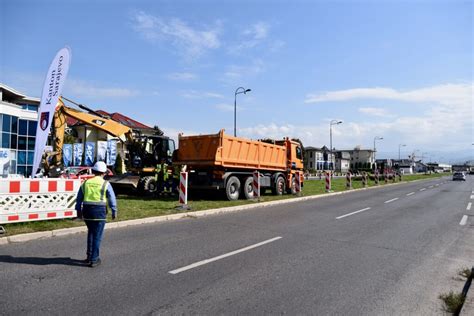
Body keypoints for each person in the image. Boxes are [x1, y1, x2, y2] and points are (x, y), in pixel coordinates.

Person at [76, 161, 117, 267]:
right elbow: (112, 198)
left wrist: (78, 211)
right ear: (104, 173)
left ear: (93, 171)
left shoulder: (85, 183)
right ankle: (94, 259)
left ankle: (89, 256)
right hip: (99, 212)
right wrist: (114, 211)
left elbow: (79, 198)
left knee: (91, 232)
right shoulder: (105, 183)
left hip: (87, 211)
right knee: (97, 236)